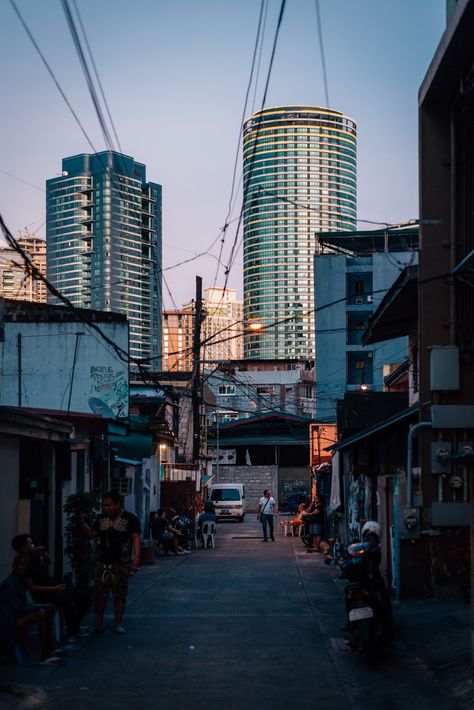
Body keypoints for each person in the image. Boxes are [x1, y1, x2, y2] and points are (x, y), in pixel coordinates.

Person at [11, 534, 91, 643]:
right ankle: (71, 633)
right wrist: (54, 588)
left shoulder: (34, 557)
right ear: (24, 547)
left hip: (55, 589)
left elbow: (48, 562)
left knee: (85, 597)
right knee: (69, 601)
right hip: (45, 594)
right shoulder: (23, 563)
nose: (33, 545)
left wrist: (43, 552)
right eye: (30, 543)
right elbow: (32, 588)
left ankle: (74, 627)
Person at [80, 491, 141, 636]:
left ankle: (117, 624)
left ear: (117, 504)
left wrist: (136, 558)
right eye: (105, 505)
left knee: (119, 594)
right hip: (103, 562)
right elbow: (92, 535)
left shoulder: (129, 518)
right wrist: (82, 524)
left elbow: (135, 538)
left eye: (109, 505)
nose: (107, 508)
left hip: (121, 562)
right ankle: (98, 622)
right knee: (100, 594)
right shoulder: (101, 519)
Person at [0, 556, 62, 665]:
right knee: (41, 613)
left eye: (25, 565)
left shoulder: (19, 582)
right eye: (21, 565)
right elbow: (19, 609)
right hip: (10, 622)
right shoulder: (10, 584)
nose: (24, 568)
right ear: (15, 566)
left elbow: (24, 605)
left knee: (46, 610)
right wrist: (41, 606)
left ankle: (50, 649)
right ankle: (45, 656)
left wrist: (43, 605)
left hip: (16, 616)